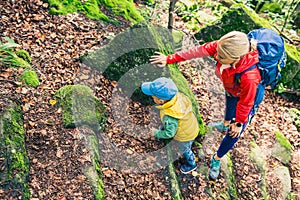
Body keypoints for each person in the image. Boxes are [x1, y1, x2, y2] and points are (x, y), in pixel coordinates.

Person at [149, 31, 261, 180]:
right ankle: (225, 123)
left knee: (234, 132)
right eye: (217, 53)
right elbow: (196, 52)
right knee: (229, 109)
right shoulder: (222, 47)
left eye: (221, 57)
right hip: (232, 88)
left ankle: (217, 158)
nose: (216, 57)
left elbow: (246, 102)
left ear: (236, 58)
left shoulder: (250, 77)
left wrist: (239, 122)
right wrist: (169, 59)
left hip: (248, 97)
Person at [141, 77, 199, 174]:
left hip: (186, 136)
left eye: (153, 97)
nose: (152, 98)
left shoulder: (170, 116)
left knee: (185, 149)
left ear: (160, 101)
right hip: (191, 126)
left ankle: (191, 163)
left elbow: (169, 133)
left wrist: (156, 133)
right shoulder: (176, 97)